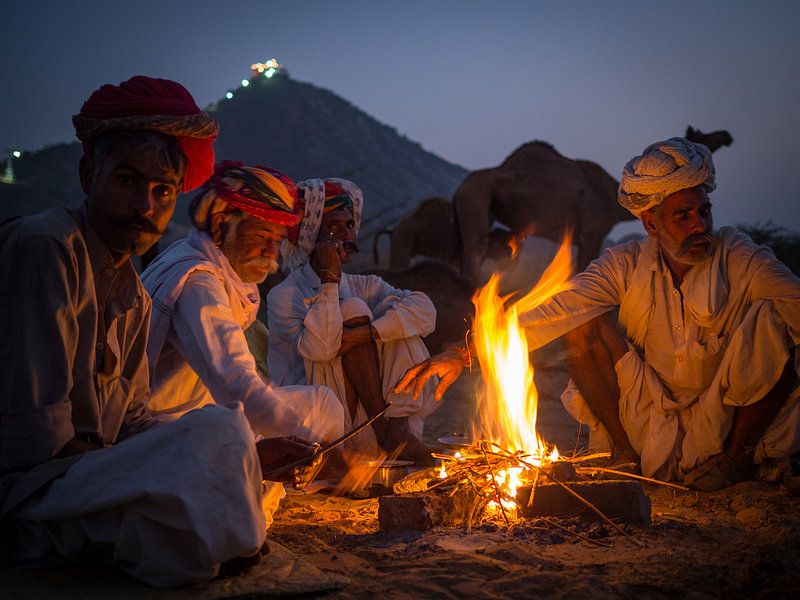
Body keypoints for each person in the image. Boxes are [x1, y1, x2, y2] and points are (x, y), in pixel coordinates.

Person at [0, 76, 318, 588]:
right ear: (88, 173)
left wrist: (245, 454)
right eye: (127, 180)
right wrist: (190, 461)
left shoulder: (130, 288)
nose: (145, 206)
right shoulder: (49, 249)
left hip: (90, 476)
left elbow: (130, 423)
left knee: (227, 441)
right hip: (31, 491)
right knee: (219, 443)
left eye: (163, 190)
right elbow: (40, 445)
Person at [396, 137, 800, 491]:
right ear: (651, 224)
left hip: (727, 415)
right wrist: (461, 352)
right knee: (580, 322)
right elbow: (554, 310)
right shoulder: (624, 264)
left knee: (777, 317)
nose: (700, 225)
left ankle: (735, 460)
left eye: (703, 212)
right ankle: (625, 453)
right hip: (651, 415)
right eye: (683, 215)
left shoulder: (739, 256)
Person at [141, 161, 344, 517]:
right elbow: (238, 386)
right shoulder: (199, 283)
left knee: (322, 404)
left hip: (213, 412)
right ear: (221, 225)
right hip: (170, 428)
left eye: (276, 242)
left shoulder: (205, 261)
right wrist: (332, 452)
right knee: (243, 499)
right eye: (262, 237)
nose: (272, 254)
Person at [267, 178, 440, 461]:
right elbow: (321, 350)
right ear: (311, 236)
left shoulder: (365, 284)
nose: (346, 235)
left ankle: (397, 431)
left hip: (369, 420)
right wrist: (329, 280)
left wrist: (366, 333)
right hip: (323, 425)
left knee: (399, 320)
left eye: (349, 225)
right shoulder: (284, 295)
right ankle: (385, 433)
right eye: (333, 227)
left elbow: (425, 311)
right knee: (352, 309)